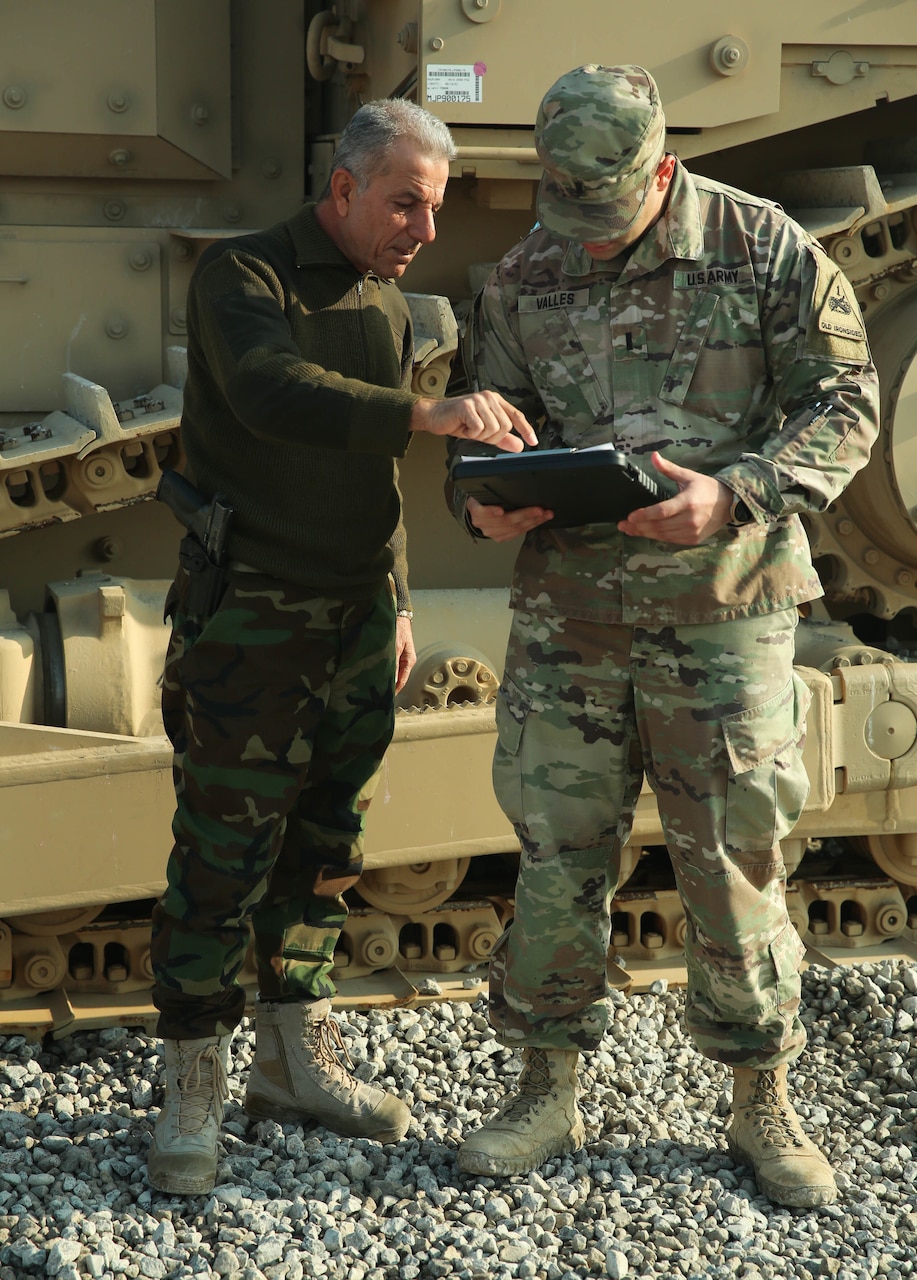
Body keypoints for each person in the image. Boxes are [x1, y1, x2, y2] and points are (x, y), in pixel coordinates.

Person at [447, 64, 879, 1209]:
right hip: (569, 625)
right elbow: (479, 431)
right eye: (563, 205)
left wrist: (733, 491)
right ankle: (544, 1085)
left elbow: (847, 403)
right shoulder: (522, 274)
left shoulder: (763, 247)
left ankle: (760, 1098)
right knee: (554, 862)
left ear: (659, 168)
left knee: (735, 864)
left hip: (721, 617)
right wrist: (482, 499)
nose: (581, 236)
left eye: (604, 207)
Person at [147, 96, 536, 1196]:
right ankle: (193, 1084)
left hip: (359, 616)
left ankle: (291, 1058)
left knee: (325, 841)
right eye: (404, 202)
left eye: (435, 206)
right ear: (344, 189)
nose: (422, 227)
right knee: (222, 853)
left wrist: (400, 597)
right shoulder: (244, 276)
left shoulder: (395, 306)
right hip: (252, 616)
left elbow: (375, 483)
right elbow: (273, 394)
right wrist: (427, 416)